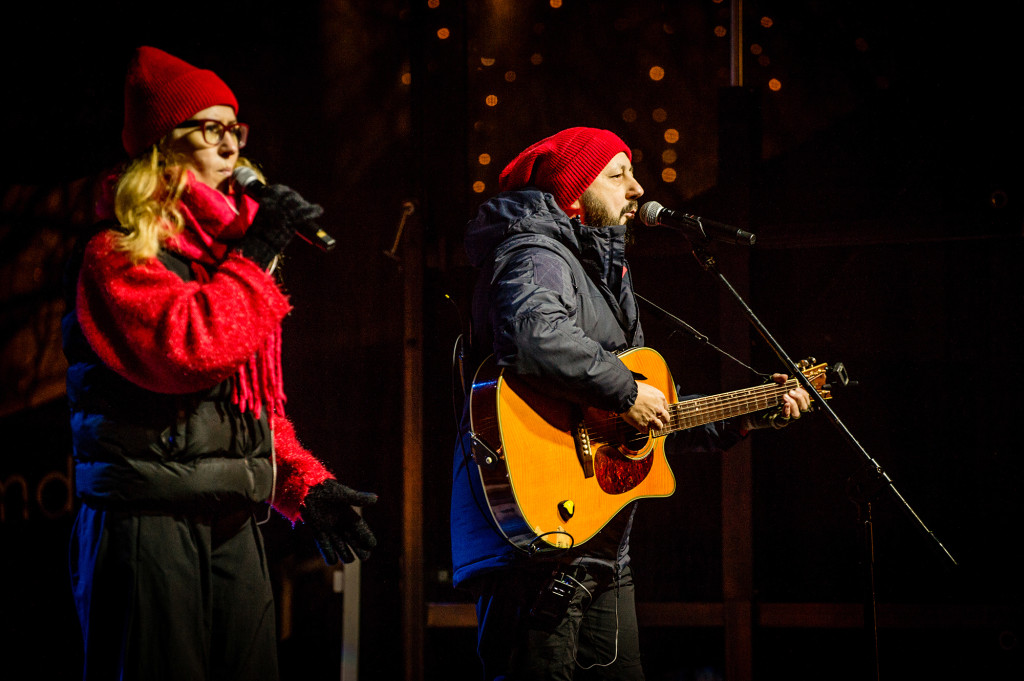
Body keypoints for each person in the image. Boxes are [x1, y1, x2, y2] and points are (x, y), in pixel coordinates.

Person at [450, 127, 811, 680]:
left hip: (598, 546)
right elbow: (531, 336)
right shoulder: (535, 254)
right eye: (617, 175)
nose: (638, 188)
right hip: (535, 547)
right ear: (573, 193)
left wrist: (748, 411)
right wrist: (624, 390)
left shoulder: (599, 275)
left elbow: (646, 413)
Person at [62, 46, 377, 681]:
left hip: (232, 522)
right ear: (161, 148)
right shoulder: (118, 252)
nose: (230, 143)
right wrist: (254, 258)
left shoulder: (226, 260)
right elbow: (188, 351)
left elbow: (251, 408)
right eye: (210, 128)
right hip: (148, 524)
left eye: (235, 127)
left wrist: (303, 486)